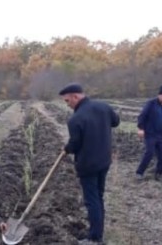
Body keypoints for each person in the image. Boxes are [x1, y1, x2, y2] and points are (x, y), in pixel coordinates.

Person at [60, 82, 120, 244]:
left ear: (76, 96)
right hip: (104, 161)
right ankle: (98, 233)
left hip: (88, 165)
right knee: (98, 197)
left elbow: (75, 144)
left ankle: (94, 238)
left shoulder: (76, 119)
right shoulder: (104, 107)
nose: (67, 105)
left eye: (67, 101)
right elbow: (116, 122)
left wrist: (66, 149)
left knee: (92, 200)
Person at [136, 84, 162, 181]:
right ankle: (139, 173)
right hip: (150, 134)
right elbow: (142, 116)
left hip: (160, 135)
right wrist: (140, 128)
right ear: (159, 95)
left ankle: (158, 174)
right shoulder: (151, 104)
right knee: (150, 153)